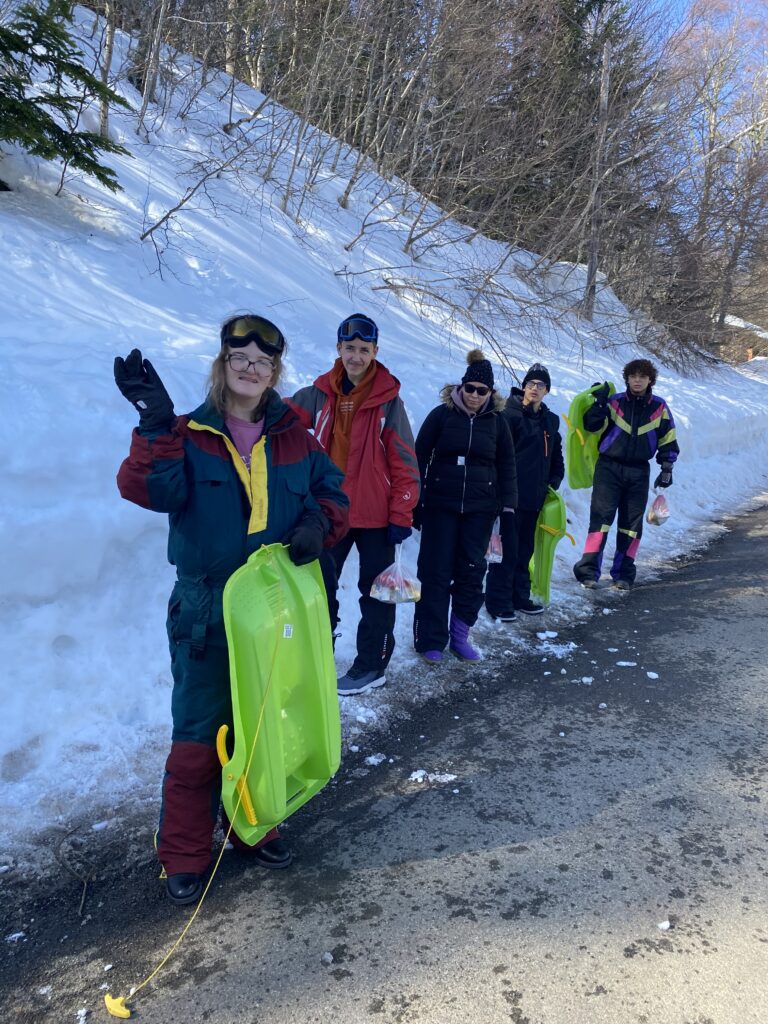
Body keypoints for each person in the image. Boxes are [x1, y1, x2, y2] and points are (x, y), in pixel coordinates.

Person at [114, 314, 349, 905]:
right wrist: (154, 425)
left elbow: (332, 492)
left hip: (270, 609)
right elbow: (148, 490)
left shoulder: (295, 435)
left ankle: (253, 824)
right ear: (223, 363)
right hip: (206, 609)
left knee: (263, 725)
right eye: (240, 357)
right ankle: (184, 853)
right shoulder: (187, 434)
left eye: (263, 362)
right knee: (200, 734)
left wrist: (317, 523)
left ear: (275, 372)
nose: (251, 368)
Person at [288, 314, 420, 696]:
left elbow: (404, 460)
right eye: (350, 348)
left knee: (376, 593)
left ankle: (371, 665)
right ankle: (316, 658)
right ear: (339, 348)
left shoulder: (388, 400)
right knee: (318, 588)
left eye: (364, 349)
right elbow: (279, 419)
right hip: (330, 511)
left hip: (376, 515)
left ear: (375, 352)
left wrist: (402, 513)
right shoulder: (319, 393)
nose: (356, 356)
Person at [412, 350, 517, 663]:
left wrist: (508, 509)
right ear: (461, 386)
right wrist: (415, 500)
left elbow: (507, 466)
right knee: (435, 572)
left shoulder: (498, 423)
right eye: (469, 388)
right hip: (440, 506)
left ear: (491, 393)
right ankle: (431, 640)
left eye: (481, 391)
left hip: (480, 510)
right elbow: (418, 457)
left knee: (471, 573)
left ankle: (460, 637)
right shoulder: (441, 415)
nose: (474, 395)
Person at [573, 358, 679, 591]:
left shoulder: (659, 407)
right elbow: (591, 426)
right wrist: (599, 404)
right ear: (627, 379)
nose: (637, 381)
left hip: (638, 471)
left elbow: (668, 438)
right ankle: (588, 573)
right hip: (608, 468)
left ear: (650, 380)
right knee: (600, 521)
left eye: (642, 376)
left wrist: (667, 468)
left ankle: (623, 574)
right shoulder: (614, 402)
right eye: (633, 376)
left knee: (631, 526)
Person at [485, 363, 564, 619]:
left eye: (540, 385)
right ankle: (498, 601)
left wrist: (555, 478)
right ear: (524, 387)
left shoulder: (550, 421)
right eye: (530, 384)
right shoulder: (508, 415)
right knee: (506, 552)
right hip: (510, 497)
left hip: (535, 497)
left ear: (547, 390)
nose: (534, 388)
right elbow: (496, 454)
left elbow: (556, 454)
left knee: (524, 551)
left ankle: (520, 596)